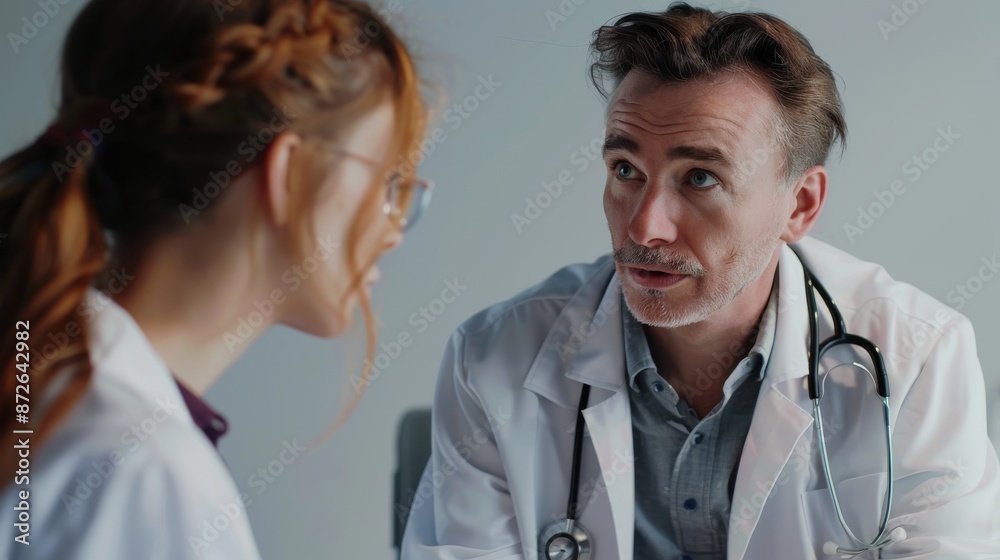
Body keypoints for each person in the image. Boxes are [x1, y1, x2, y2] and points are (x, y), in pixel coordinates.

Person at [400, 3, 1000, 559]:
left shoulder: (916, 356)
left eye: (700, 179)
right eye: (626, 170)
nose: (644, 226)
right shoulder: (492, 358)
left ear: (800, 205)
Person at [0, 0, 431, 558]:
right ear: (289, 174)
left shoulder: (38, 381)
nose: (394, 230)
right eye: (390, 183)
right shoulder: (146, 477)